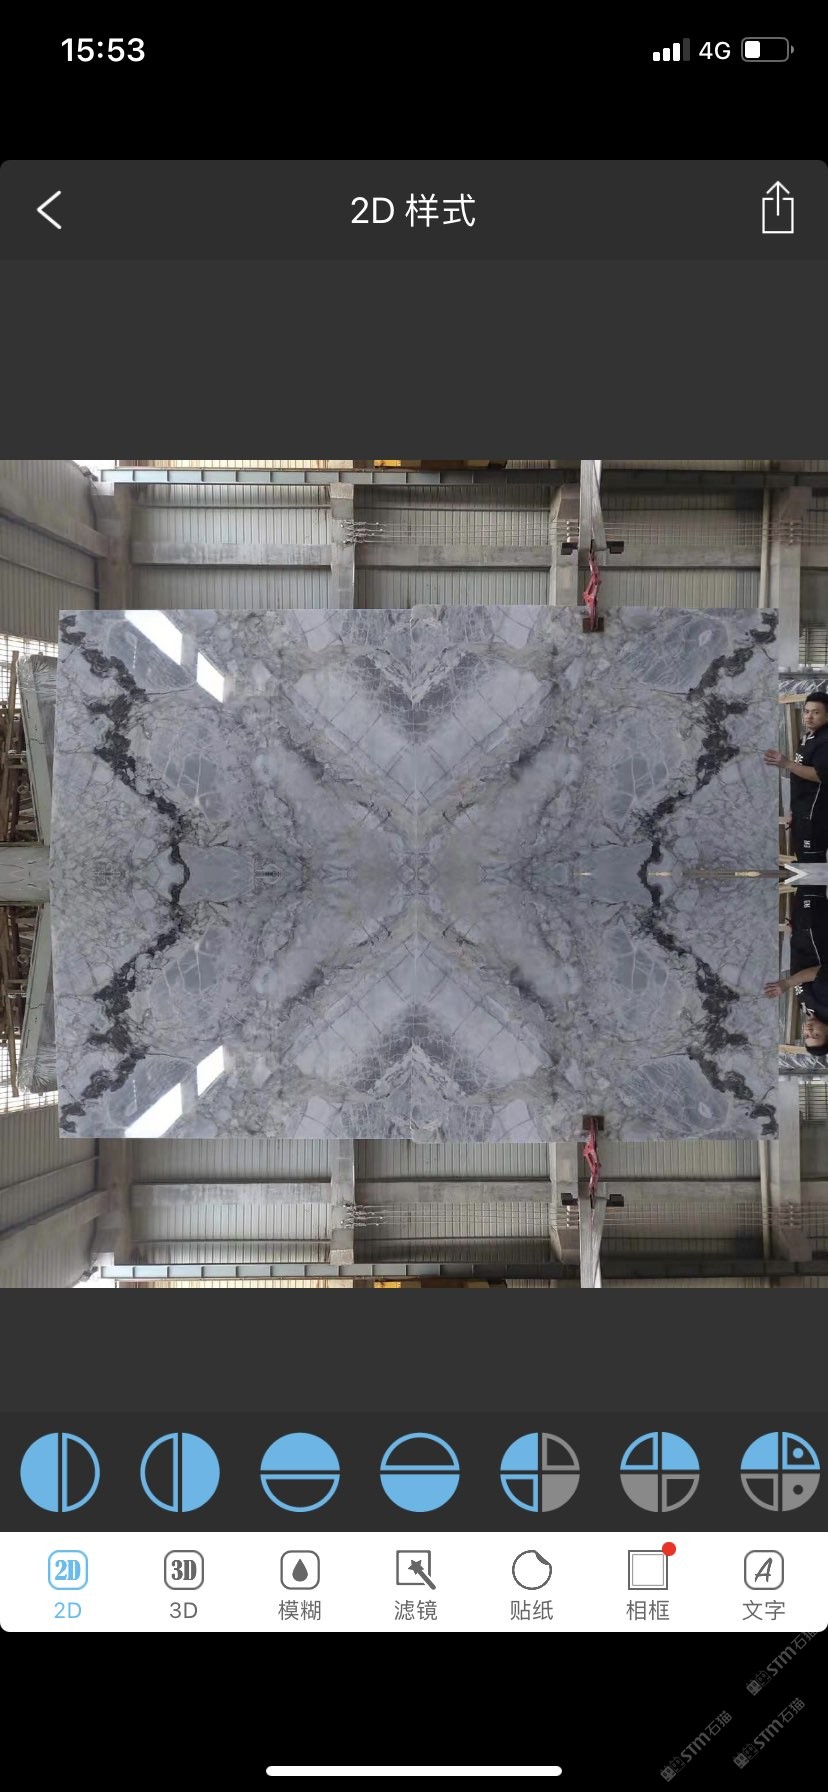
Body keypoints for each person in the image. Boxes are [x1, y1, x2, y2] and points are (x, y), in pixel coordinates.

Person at [765, 690, 828, 865]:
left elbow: (821, 776)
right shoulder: (808, 738)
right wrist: (795, 812)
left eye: (816, 712)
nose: (809, 716)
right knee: (803, 861)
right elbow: (801, 778)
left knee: (811, 867)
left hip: (815, 817)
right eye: (806, 711)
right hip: (803, 814)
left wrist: (787, 763)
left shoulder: (825, 741)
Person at [764, 885, 828, 1055]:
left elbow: (799, 968)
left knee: (805, 881)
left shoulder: (808, 1009)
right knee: (812, 878)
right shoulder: (825, 1004)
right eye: (816, 1035)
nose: (809, 1031)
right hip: (816, 927)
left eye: (807, 1036)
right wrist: (786, 983)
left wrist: (795, 935)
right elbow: (820, 972)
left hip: (803, 931)